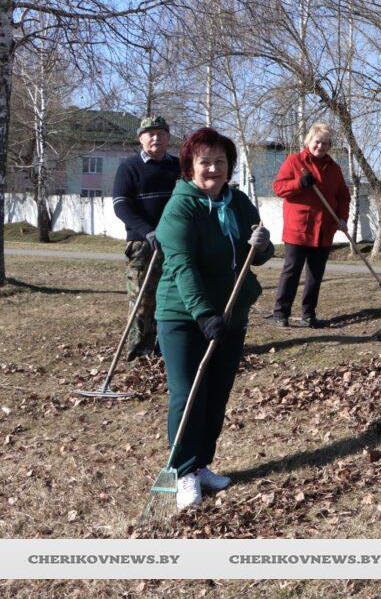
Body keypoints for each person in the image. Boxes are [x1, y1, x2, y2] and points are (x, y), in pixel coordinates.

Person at [153, 127, 274, 508]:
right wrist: (204, 314)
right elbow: (182, 265)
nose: (213, 168)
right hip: (183, 316)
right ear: (190, 165)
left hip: (230, 313)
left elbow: (257, 253)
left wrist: (263, 243)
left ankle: (203, 462)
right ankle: (184, 471)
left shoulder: (237, 202)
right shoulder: (181, 206)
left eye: (220, 161)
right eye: (205, 161)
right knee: (188, 393)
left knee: (217, 393)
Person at [111, 115, 181, 359]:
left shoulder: (178, 166)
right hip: (142, 243)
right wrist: (147, 231)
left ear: (168, 137)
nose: (155, 137)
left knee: (171, 297)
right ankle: (139, 352)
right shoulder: (129, 167)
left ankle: (166, 349)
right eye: (150, 133)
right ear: (140, 138)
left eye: (161, 133)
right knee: (142, 300)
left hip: (174, 243)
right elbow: (121, 206)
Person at [269, 122, 351, 329]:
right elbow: (279, 188)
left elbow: (343, 196)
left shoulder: (334, 168)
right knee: (291, 271)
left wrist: (342, 218)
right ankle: (281, 312)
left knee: (315, 274)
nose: (320, 147)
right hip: (298, 229)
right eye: (317, 142)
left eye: (325, 143)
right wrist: (299, 184)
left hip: (324, 229)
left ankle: (308, 314)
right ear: (309, 141)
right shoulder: (294, 161)